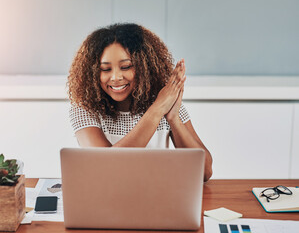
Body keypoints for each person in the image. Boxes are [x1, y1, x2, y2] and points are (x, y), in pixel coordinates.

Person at [68, 23, 213, 181]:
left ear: (145, 67)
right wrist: (156, 111)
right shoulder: (85, 109)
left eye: (126, 67)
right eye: (105, 69)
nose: (116, 77)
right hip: (107, 201)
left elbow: (204, 172)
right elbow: (107, 168)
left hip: (157, 198)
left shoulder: (166, 102)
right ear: (93, 73)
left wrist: (173, 119)